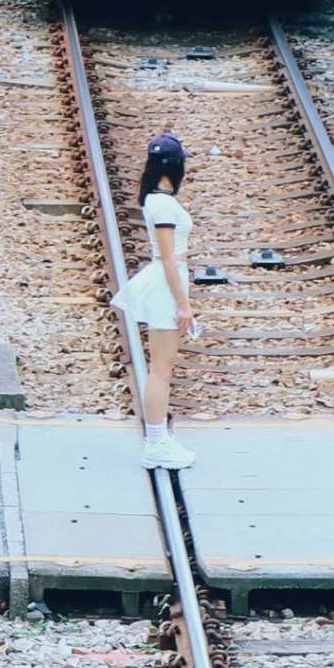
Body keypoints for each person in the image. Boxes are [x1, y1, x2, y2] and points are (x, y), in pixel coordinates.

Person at [111, 133, 198, 470]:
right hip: (166, 283)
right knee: (161, 369)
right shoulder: (162, 204)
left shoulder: (158, 199)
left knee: (162, 367)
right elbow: (168, 258)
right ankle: (156, 443)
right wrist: (183, 304)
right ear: (175, 166)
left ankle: (159, 438)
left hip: (169, 281)